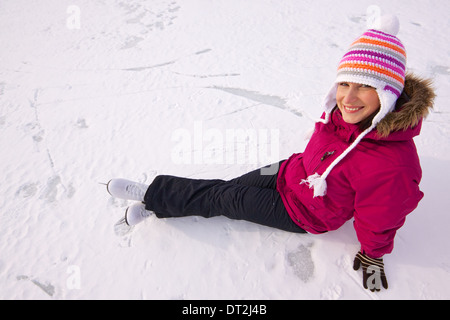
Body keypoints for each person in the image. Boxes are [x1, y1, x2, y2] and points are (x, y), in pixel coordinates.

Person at [105, 15, 435, 291]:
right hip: (287, 171)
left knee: (225, 199)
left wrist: (373, 254)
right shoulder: (343, 113)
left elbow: (382, 214)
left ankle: (152, 196)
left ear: (388, 95)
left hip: (301, 210)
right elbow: (326, 148)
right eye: (345, 83)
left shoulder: (393, 165)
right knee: (228, 187)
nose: (348, 97)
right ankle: (164, 201)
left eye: (364, 86)